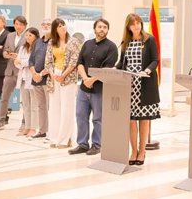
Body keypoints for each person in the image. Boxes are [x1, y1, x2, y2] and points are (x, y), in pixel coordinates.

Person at [116, 13, 160, 165]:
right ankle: (133, 151)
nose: (136, 26)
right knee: (131, 120)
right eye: (133, 24)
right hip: (129, 85)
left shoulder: (149, 40)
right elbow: (121, 63)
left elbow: (155, 60)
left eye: (138, 23)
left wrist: (147, 71)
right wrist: (110, 71)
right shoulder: (125, 42)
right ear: (128, 26)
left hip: (145, 84)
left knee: (143, 120)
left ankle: (142, 151)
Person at [69, 19, 118, 156]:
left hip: (100, 89)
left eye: (105, 27)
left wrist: (92, 79)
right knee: (80, 115)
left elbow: (108, 68)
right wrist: (85, 79)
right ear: (95, 28)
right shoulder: (87, 44)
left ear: (108, 30)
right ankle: (83, 144)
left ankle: (97, 145)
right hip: (84, 88)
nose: (102, 29)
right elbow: (80, 63)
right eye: (99, 27)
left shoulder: (111, 47)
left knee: (98, 118)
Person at [45, 18, 81, 148]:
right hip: (54, 76)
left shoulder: (74, 42)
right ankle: (55, 138)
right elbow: (48, 61)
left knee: (67, 108)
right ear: (55, 29)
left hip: (68, 77)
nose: (63, 27)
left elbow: (74, 61)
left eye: (63, 25)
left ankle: (65, 139)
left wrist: (63, 75)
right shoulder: (51, 42)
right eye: (59, 26)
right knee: (54, 108)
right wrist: (52, 73)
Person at [0, 15, 27, 131]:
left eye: (21, 24)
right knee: (4, 97)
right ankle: (0, 121)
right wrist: (6, 54)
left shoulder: (28, 36)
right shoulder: (10, 35)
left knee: (26, 99)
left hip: (22, 71)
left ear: (25, 25)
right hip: (10, 70)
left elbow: (30, 53)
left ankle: (25, 122)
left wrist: (19, 56)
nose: (18, 26)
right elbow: (5, 50)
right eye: (16, 24)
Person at [29, 18, 52, 140]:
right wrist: (34, 74)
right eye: (44, 24)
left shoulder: (54, 42)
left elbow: (53, 62)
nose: (46, 26)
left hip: (48, 79)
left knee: (50, 107)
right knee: (41, 106)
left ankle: (52, 132)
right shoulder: (37, 42)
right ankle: (42, 130)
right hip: (35, 79)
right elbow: (31, 60)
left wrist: (41, 74)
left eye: (49, 24)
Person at [14, 27, 40, 137]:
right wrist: (21, 62)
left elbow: (32, 62)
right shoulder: (23, 48)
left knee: (34, 105)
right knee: (25, 105)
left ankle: (34, 128)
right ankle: (27, 127)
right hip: (24, 78)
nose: (28, 37)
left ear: (35, 36)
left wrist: (22, 62)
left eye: (30, 35)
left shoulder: (38, 47)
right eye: (27, 35)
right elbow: (17, 62)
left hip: (33, 78)